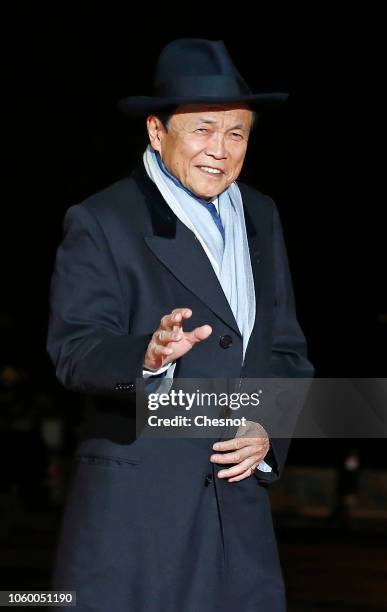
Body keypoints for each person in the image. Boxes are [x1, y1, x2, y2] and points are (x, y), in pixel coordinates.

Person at [47, 38, 313, 612]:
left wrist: (267, 429)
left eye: (237, 132)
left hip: (238, 518)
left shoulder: (262, 215)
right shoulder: (103, 220)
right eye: (202, 129)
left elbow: (287, 349)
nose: (221, 150)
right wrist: (145, 356)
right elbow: (75, 350)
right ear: (155, 130)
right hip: (137, 518)